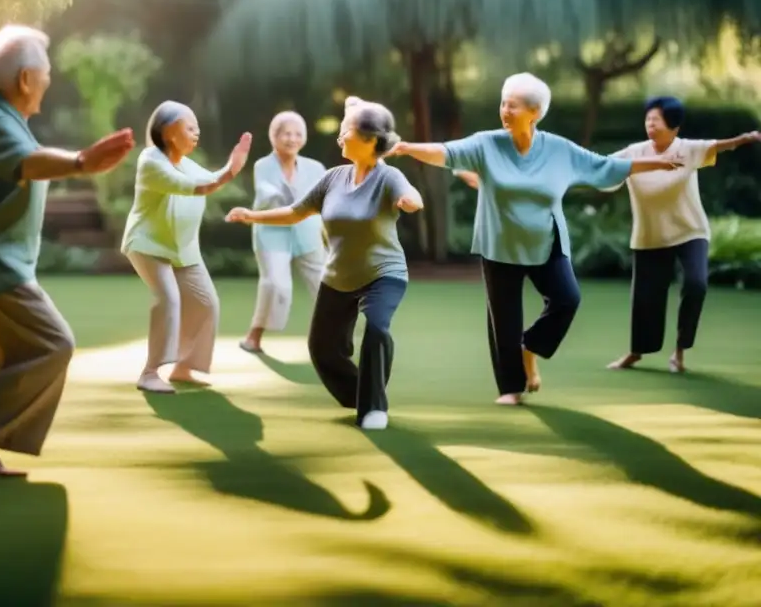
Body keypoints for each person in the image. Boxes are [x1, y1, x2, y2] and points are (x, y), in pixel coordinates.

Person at [386, 73, 682, 405]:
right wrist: (409, 148)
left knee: (567, 299)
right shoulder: (487, 144)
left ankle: (531, 348)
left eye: (512, 105)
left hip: (547, 239)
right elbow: (446, 153)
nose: (504, 110)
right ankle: (511, 389)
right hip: (500, 242)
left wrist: (656, 162)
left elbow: (604, 167)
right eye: (503, 103)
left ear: (534, 112)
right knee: (504, 319)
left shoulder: (558, 149)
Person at [0, 25, 135, 477]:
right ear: (25, 79)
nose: (48, 82)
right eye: (44, 74)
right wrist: (82, 162)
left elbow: (27, 158)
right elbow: (30, 164)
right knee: (53, 344)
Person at [227, 97, 422, 430]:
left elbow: (412, 196)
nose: (340, 137)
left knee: (376, 328)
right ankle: (360, 394)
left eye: (345, 132)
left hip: (383, 273)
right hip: (338, 276)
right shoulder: (333, 178)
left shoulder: (388, 178)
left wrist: (409, 202)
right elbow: (295, 212)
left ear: (370, 141)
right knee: (322, 348)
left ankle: (374, 407)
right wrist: (251, 215)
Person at [606, 95, 761, 373]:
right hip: (650, 235)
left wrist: (744, 138)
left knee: (696, 284)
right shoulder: (635, 152)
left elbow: (718, 146)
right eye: (648, 119)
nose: (650, 125)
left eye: (657, 120)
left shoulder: (686, 149)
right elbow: (600, 165)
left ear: (674, 127)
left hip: (690, 231)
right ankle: (636, 352)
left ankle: (679, 351)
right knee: (645, 298)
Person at [121, 101, 252, 394]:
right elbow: (193, 186)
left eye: (197, 128)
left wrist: (230, 170)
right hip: (147, 245)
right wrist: (228, 172)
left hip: (182, 250)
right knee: (169, 298)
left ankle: (184, 367)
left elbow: (209, 179)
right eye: (190, 127)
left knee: (205, 303)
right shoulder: (151, 161)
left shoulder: (187, 164)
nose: (197, 133)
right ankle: (150, 372)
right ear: (168, 132)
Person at [239, 111, 327, 355]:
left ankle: (329, 338)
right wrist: (280, 194)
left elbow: (327, 196)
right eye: (286, 133)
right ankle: (253, 337)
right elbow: (265, 190)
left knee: (326, 287)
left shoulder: (315, 167)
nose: (292, 139)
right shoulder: (263, 165)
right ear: (274, 137)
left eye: (298, 134)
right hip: (272, 234)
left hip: (308, 234)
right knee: (277, 285)